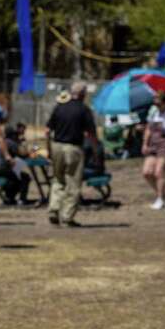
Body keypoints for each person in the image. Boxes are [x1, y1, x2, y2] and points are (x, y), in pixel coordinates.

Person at [45, 83, 101, 225]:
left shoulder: (60, 107)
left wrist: (48, 149)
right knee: (73, 182)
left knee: (58, 179)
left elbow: (47, 131)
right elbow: (91, 134)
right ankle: (67, 216)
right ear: (83, 94)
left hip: (56, 146)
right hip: (73, 148)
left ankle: (53, 209)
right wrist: (95, 151)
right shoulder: (84, 110)